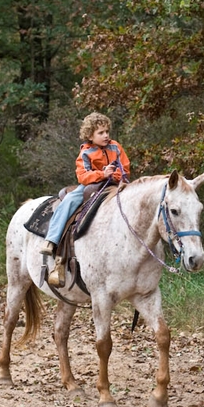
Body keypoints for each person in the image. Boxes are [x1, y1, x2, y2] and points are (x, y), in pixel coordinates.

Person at [40, 112, 130, 287]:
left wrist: (115, 176)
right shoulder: (86, 152)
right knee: (70, 201)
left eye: (107, 132)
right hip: (91, 185)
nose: (106, 135)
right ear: (90, 136)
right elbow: (83, 176)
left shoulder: (116, 147)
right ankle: (51, 240)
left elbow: (125, 169)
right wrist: (101, 174)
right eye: (101, 133)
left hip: (115, 184)